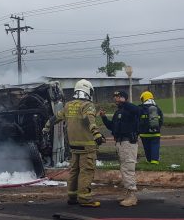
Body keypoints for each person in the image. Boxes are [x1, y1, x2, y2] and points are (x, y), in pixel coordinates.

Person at [43, 79, 105, 207]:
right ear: (87, 90)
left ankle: (72, 196)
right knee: (86, 172)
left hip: (73, 147)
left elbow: (56, 117)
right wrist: (97, 134)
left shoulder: (68, 105)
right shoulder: (87, 105)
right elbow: (90, 119)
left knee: (73, 172)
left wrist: (46, 127)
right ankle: (85, 199)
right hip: (87, 147)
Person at [99, 91, 140, 207]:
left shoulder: (130, 110)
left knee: (128, 168)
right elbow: (112, 126)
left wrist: (125, 103)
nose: (115, 98)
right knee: (124, 168)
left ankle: (132, 196)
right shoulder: (118, 112)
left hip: (128, 142)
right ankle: (127, 193)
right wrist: (104, 117)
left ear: (124, 98)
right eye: (115, 96)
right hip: (120, 142)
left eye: (118, 96)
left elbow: (138, 111)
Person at [138, 91, 163, 165]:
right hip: (155, 132)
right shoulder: (157, 108)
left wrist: (139, 129)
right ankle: (155, 161)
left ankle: (149, 160)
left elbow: (137, 119)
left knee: (146, 147)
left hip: (144, 133)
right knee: (155, 146)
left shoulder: (140, 108)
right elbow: (161, 120)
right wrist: (158, 128)